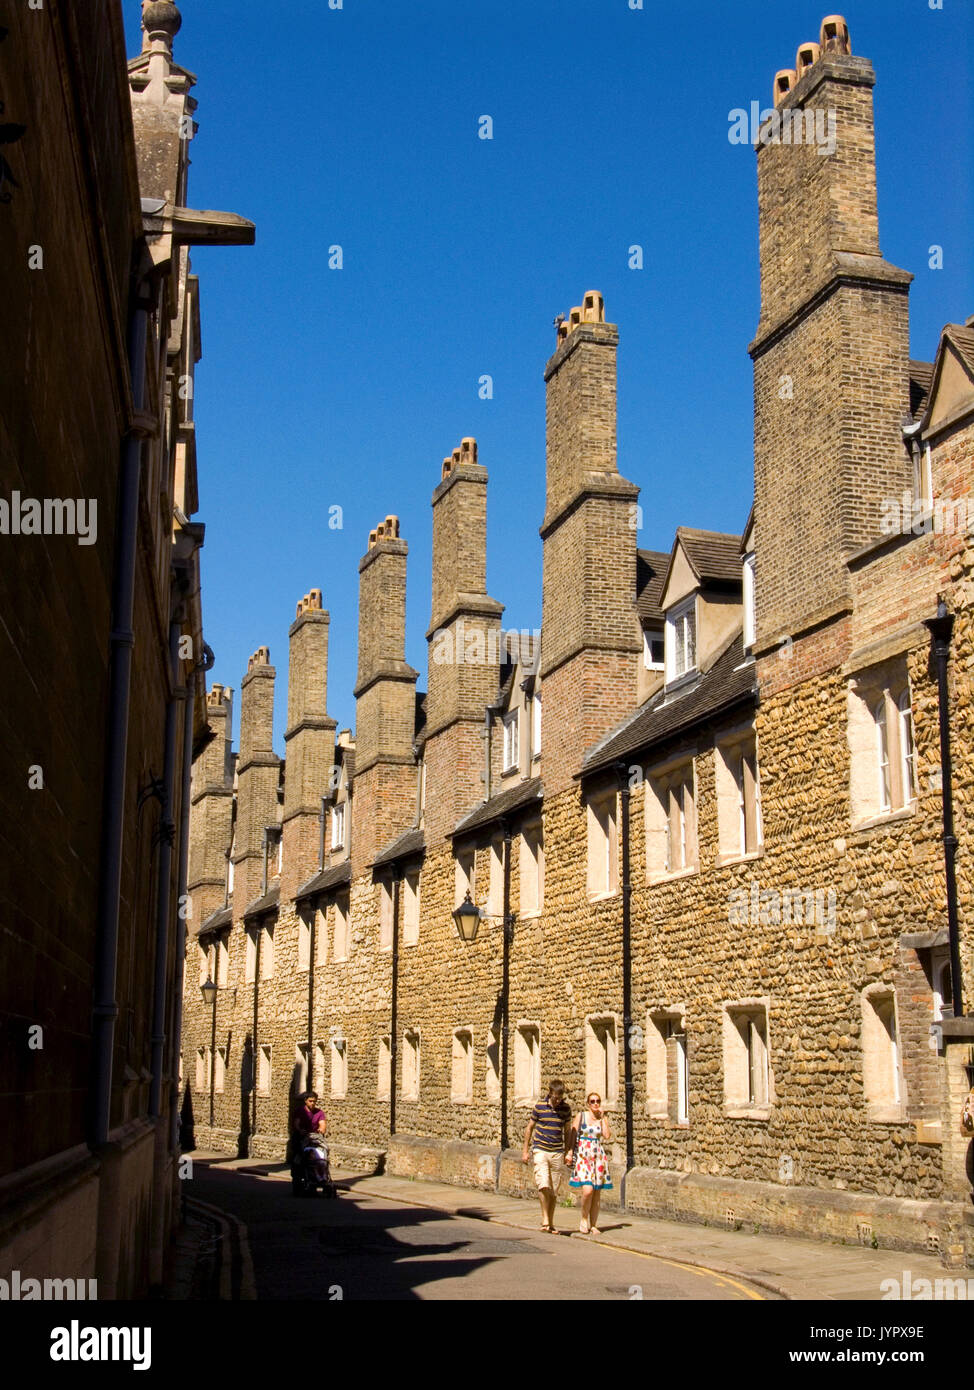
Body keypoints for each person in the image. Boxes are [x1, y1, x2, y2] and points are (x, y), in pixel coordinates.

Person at [522, 1079, 572, 1233]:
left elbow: (568, 1131)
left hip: (557, 1151)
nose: (557, 1101)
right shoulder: (539, 1107)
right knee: (543, 1184)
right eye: (555, 1098)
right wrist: (525, 1150)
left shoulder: (565, 1109)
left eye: (560, 1098)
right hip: (540, 1150)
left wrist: (568, 1151)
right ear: (550, 1093)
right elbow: (530, 1128)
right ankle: (545, 1219)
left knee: (553, 1190)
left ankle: (550, 1223)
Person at [568, 1092, 612, 1234]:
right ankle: (584, 1218)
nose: (595, 1104)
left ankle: (593, 1225)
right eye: (592, 1101)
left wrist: (603, 1117)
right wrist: (569, 1152)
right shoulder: (581, 1116)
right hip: (583, 1156)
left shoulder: (601, 1119)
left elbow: (606, 1135)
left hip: (598, 1158)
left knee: (597, 1193)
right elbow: (573, 1134)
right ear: (588, 1103)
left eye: (598, 1101)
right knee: (588, 1190)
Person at [292, 1091, 328, 1181]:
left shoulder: (319, 1113)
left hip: (315, 1137)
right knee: (299, 1155)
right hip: (302, 1137)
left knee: (323, 1150)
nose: (312, 1103)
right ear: (305, 1101)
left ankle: (322, 1173)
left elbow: (322, 1124)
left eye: (314, 1101)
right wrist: (300, 1130)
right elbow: (296, 1124)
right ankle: (298, 1174)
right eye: (310, 1101)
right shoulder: (300, 1111)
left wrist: (321, 1129)